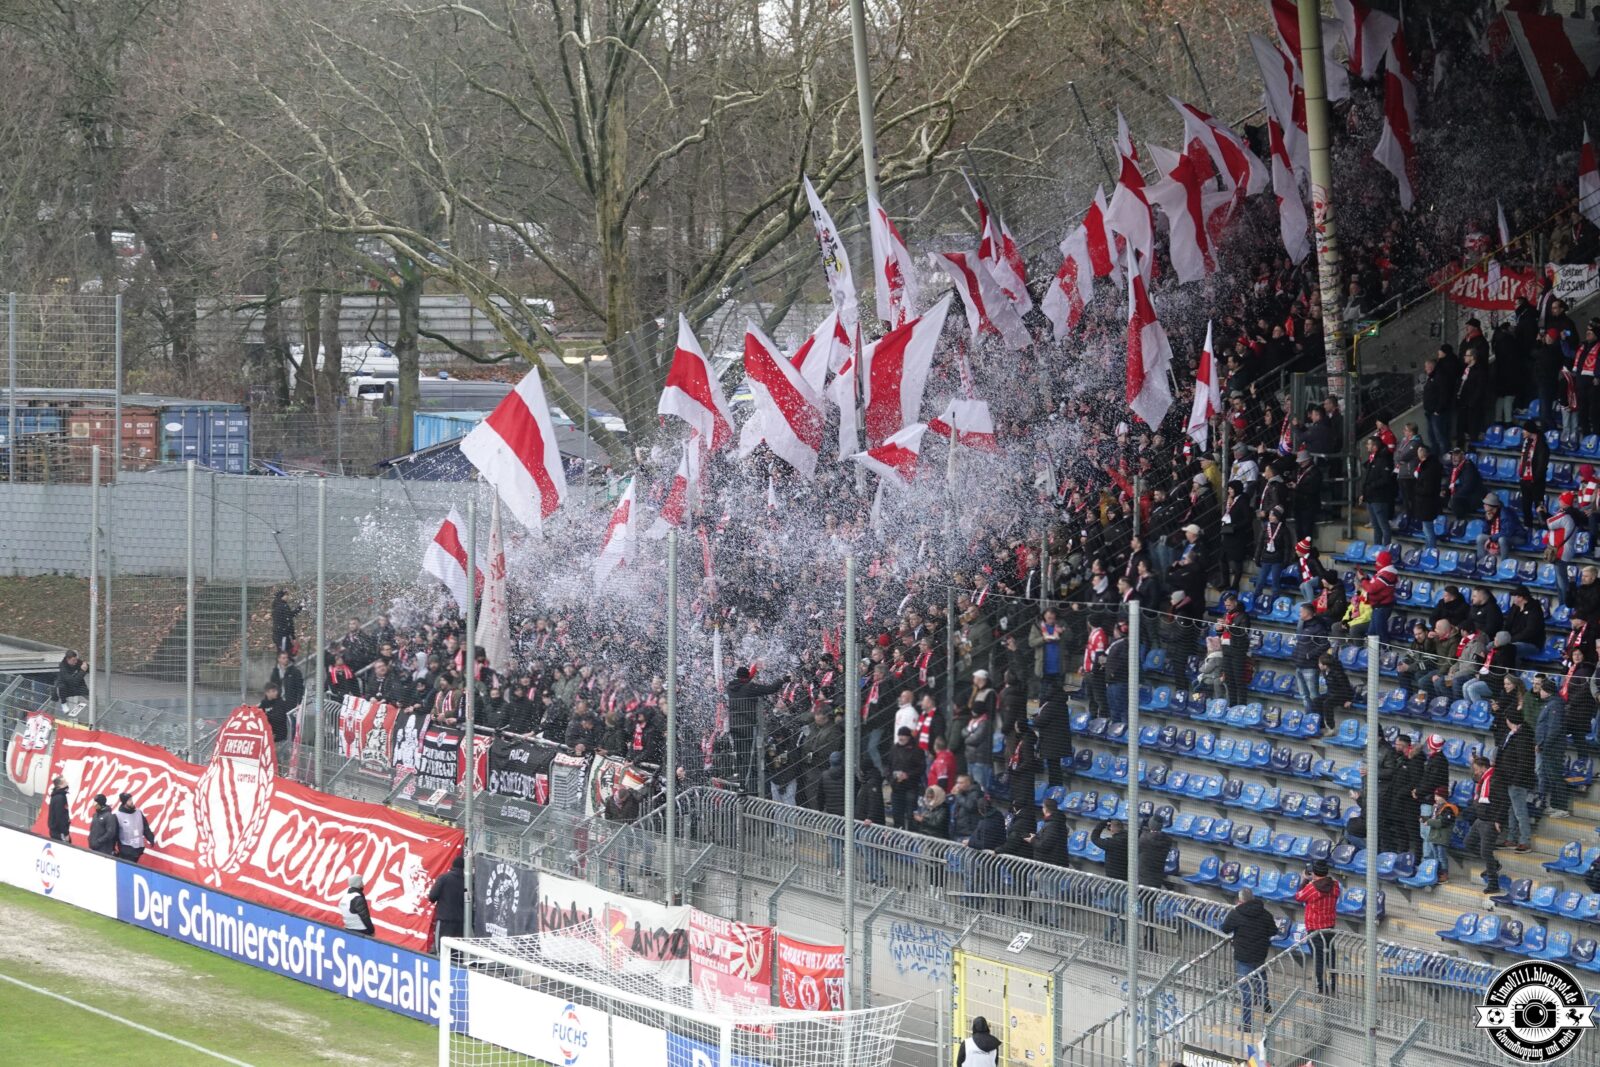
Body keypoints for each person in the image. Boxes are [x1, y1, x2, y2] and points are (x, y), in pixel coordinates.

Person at [1221, 888, 1278, 1031]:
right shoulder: (1265, 913)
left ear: (1240, 900)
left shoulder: (1236, 913)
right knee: (1261, 976)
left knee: (1245, 989)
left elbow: (1225, 928)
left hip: (1243, 955)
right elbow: (1273, 931)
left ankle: (1246, 1023)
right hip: (1260, 953)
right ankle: (1265, 1004)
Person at [1296, 859, 1341, 996]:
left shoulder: (1312, 888)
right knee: (1331, 958)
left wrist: (1305, 879)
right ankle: (1333, 987)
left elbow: (1298, 896)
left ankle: (1322, 988)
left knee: (1319, 959)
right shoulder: (1335, 885)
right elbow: (1336, 892)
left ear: (1314, 872)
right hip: (1329, 927)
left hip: (1315, 929)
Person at [1464, 754, 1504, 894]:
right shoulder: (1483, 779)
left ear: (1482, 768)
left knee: (1485, 852)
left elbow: (1503, 802)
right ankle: (1494, 864)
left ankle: (1493, 883)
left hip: (1489, 821)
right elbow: (1474, 778)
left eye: (1476, 769)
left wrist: (1498, 820)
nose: (1475, 772)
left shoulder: (1495, 779)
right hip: (1479, 819)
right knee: (1468, 843)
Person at [1534, 675, 1571, 818]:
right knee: (1550, 776)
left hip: (1553, 748)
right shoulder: (1550, 703)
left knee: (1555, 776)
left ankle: (1562, 807)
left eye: (1542, 690)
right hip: (1548, 747)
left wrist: (1543, 745)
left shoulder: (1555, 705)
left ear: (1547, 691)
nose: (1540, 692)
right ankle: (1554, 806)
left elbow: (1553, 728)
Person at [1359, 435, 1398, 546]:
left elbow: (1385, 479)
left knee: (1383, 526)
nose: (1367, 446)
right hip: (1371, 498)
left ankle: (1385, 549)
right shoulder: (1373, 458)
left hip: (1380, 498)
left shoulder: (1384, 459)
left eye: (1369, 444)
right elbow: (1368, 478)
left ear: (1375, 446)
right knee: (1376, 527)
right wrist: (1364, 493)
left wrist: (1371, 486)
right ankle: (1376, 549)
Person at [887, 727, 925, 830]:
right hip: (896, 787)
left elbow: (921, 768)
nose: (901, 738)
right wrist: (891, 780)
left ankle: (911, 836)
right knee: (897, 814)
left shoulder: (917, 750)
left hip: (911, 788)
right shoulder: (894, 749)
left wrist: (908, 775)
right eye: (900, 735)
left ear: (908, 737)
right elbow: (889, 767)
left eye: (903, 735)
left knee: (910, 814)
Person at [429, 854, 467, 945]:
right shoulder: (466, 882)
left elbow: (432, 897)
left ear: (452, 866)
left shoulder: (444, 878)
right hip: (460, 922)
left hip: (444, 920)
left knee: (442, 948)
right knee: (456, 952)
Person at [113, 792, 157, 864]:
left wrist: (150, 837)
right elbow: (114, 834)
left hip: (138, 848)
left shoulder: (138, 812)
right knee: (126, 868)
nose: (132, 801)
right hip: (126, 849)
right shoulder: (117, 815)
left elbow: (145, 827)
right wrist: (113, 848)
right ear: (124, 802)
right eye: (129, 800)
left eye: (131, 799)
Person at [271, 588, 301, 654]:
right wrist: (293, 637)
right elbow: (289, 621)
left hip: (277, 635)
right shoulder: (284, 606)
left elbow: (289, 615)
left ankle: (287, 661)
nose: (288, 597)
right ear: (283, 596)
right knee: (285, 654)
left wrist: (300, 608)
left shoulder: (276, 605)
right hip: (282, 635)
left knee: (283, 654)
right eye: (287, 595)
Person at [46, 775, 71, 843]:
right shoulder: (60, 798)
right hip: (59, 832)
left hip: (56, 831)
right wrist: (65, 833)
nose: (67, 783)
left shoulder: (55, 796)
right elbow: (61, 817)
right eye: (65, 782)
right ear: (60, 785)